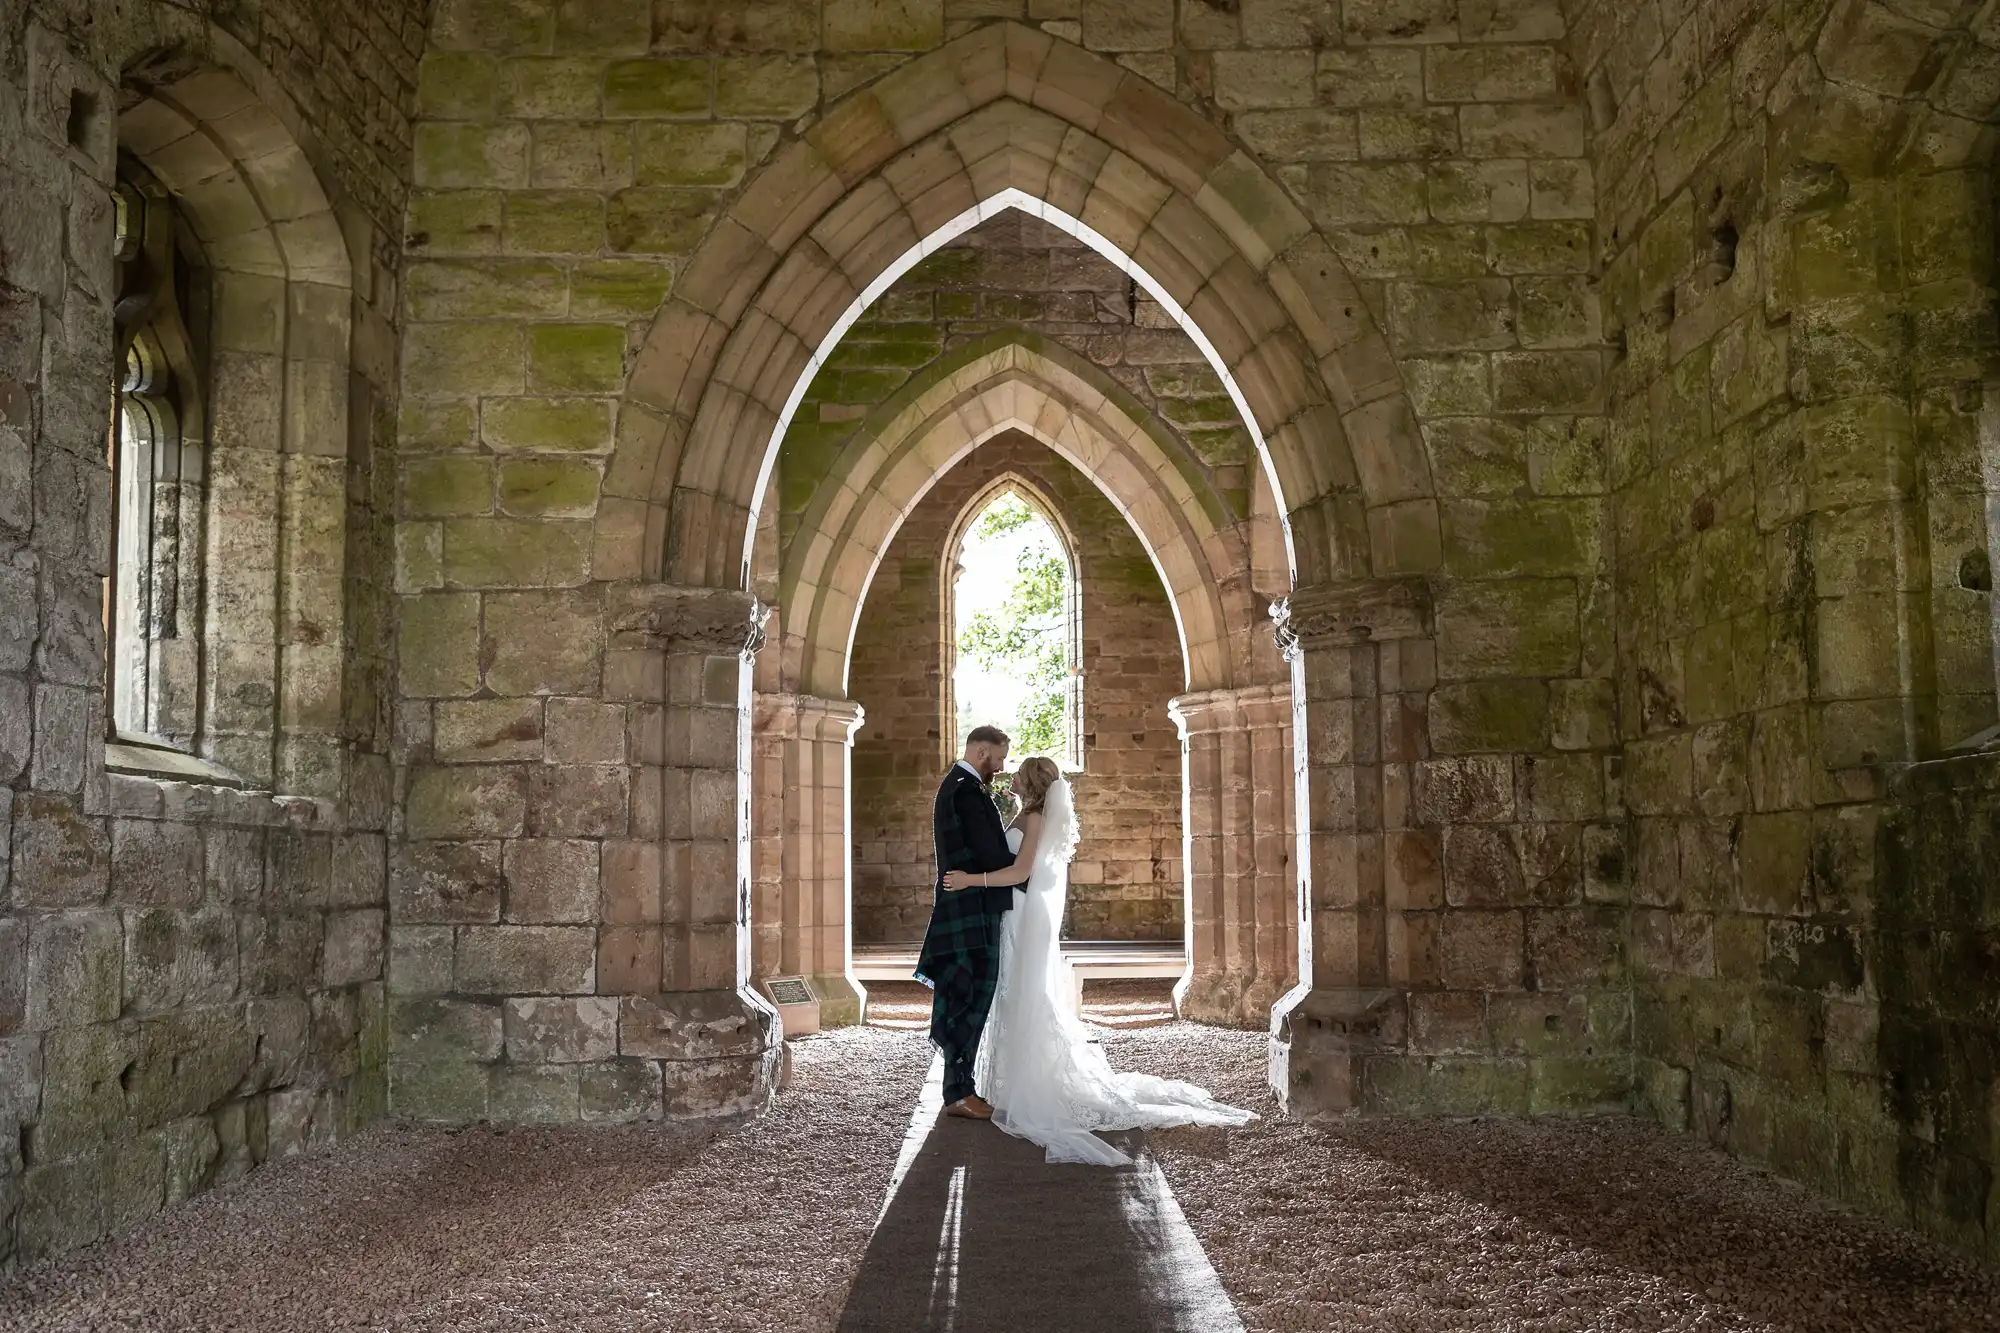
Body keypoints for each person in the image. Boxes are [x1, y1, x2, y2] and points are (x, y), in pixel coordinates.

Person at [943, 756, 1257, 1165]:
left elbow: (1020, 873)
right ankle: (1010, 1079)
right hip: (1016, 912)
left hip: (1019, 911)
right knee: (1013, 992)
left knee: (1021, 992)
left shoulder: (1035, 820)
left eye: (1018, 775)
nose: (1012, 779)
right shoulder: (1028, 815)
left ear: (1033, 785)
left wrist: (970, 880)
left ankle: (1027, 1084)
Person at [915, 725, 1019, 1121]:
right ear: (981, 751)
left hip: (966, 908)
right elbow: (990, 854)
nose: (1001, 766)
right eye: (999, 757)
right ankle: (958, 1093)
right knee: (969, 999)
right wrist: (1030, 865)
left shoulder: (958, 787)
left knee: (967, 997)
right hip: (970, 911)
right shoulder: (966, 791)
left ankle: (961, 1089)